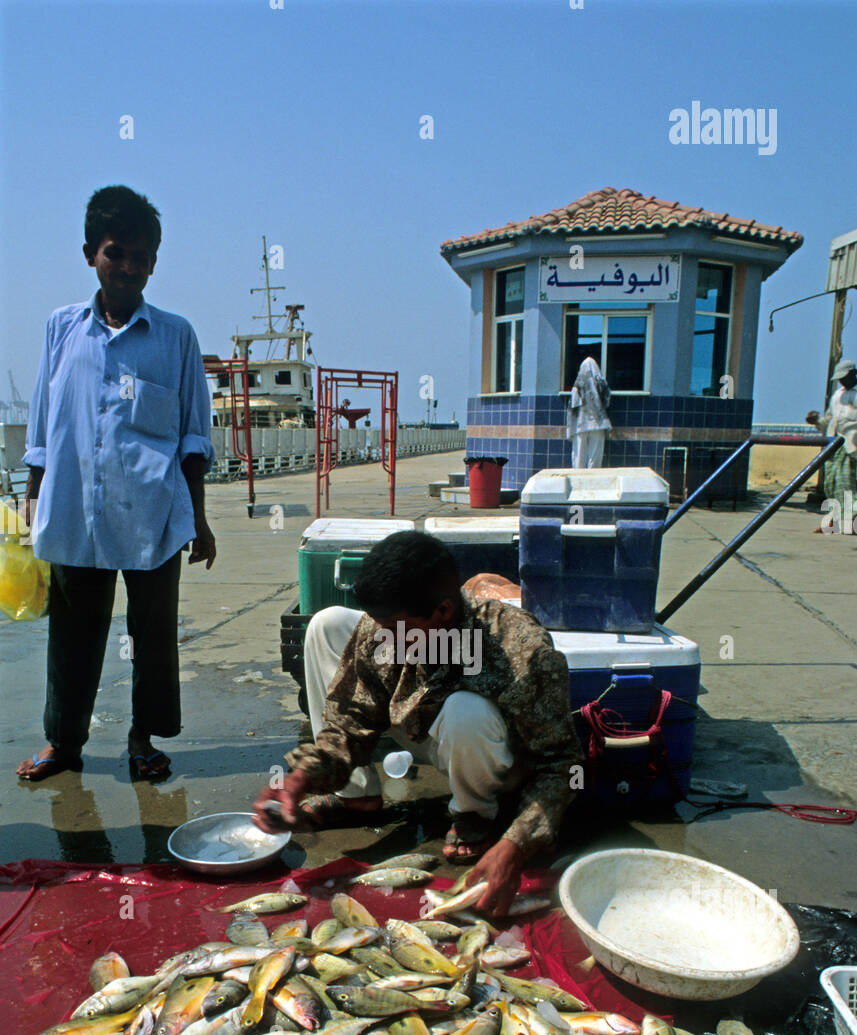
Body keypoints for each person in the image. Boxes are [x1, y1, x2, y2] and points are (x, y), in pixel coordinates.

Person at [253, 532, 583, 915]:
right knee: (326, 623)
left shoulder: (519, 648)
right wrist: (301, 778)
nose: (384, 640)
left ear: (443, 611)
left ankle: (475, 815)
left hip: (487, 750)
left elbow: (564, 766)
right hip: (416, 724)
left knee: (466, 711)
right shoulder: (384, 632)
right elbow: (351, 720)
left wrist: (517, 844)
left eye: (394, 628)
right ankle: (355, 797)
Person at [16, 185, 216, 783]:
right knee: (72, 638)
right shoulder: (61, 329)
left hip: (154, 514)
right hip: (77, 512)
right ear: (90, 254)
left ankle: (142, 738)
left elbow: (193, 437)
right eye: (116, 252)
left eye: (143, 256)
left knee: (153, 638)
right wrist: (31, 500)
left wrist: (199, 520)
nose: (131, 267)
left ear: (155, 260)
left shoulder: (176, 336)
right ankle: (65, 744)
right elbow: (43, 428)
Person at [806, 359, 857, 534]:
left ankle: (850, 522)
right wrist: (816, 422)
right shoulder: (837, 396)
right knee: (831, 484)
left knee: (847, 485)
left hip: (853, 446)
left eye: (845, 377)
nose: (842, 381)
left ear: (853, 374)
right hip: (835, 446)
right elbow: (828, 419)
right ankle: (834, 521)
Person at [567, 356, 612, 469]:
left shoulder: (576, 387)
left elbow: (572, 408)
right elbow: (606, 401)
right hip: (598, 423)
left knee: (579, 456)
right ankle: (593, 482)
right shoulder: (600, 383)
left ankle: (578, 481)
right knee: (595, 457)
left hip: (579, 425)